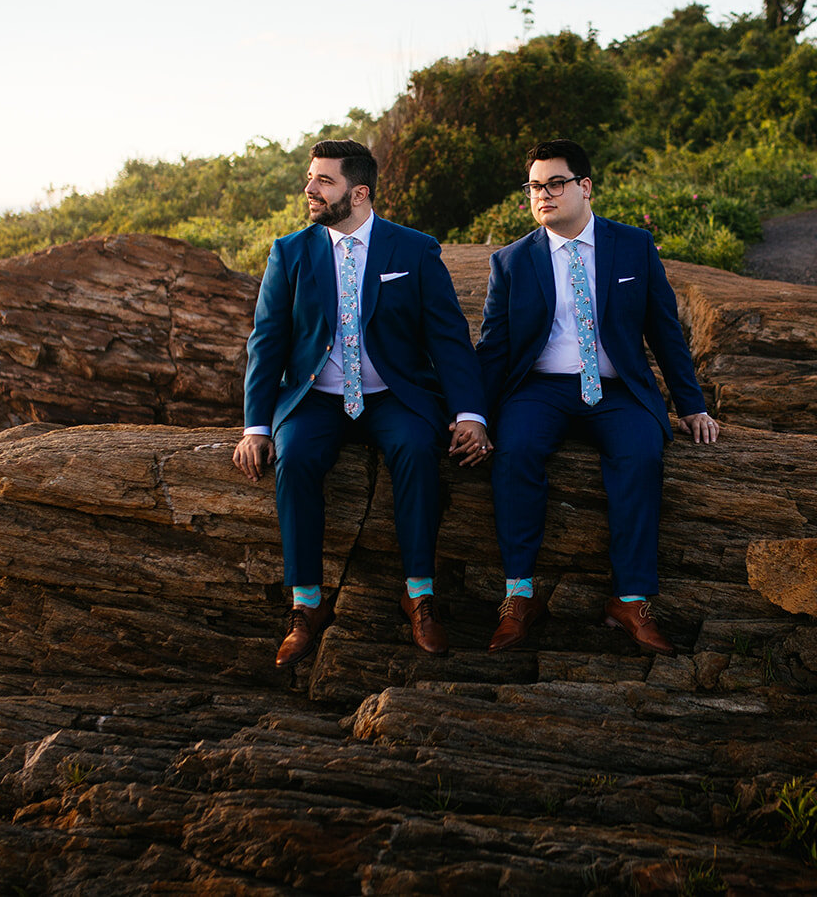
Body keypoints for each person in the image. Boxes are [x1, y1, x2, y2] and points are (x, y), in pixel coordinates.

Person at [234, 139, 491, 668]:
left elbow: (447, 338)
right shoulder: (290, 252)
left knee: (421, 451)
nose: (309, 189)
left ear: (359, 192)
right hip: (316, 397)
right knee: (295, 458)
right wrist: (255, 426)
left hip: (392, 395)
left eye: (323, 181)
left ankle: (419, 594)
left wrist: (469, 414)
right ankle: (306, 605)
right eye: (310, 178)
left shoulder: (414, 250)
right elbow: (267, 341)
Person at [476, 138, 718, 655]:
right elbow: (493, 349)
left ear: (585, 188)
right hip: (539, 389)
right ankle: (519, 595)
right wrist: (472, 416)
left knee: (641, 453)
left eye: (555, 184)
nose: (543, 195)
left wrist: (692, 403)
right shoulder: (512, 261)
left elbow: (664, 330)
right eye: (535, 187)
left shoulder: (633, 245)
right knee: (515, 451)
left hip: (617, 387)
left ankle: (630, 601)